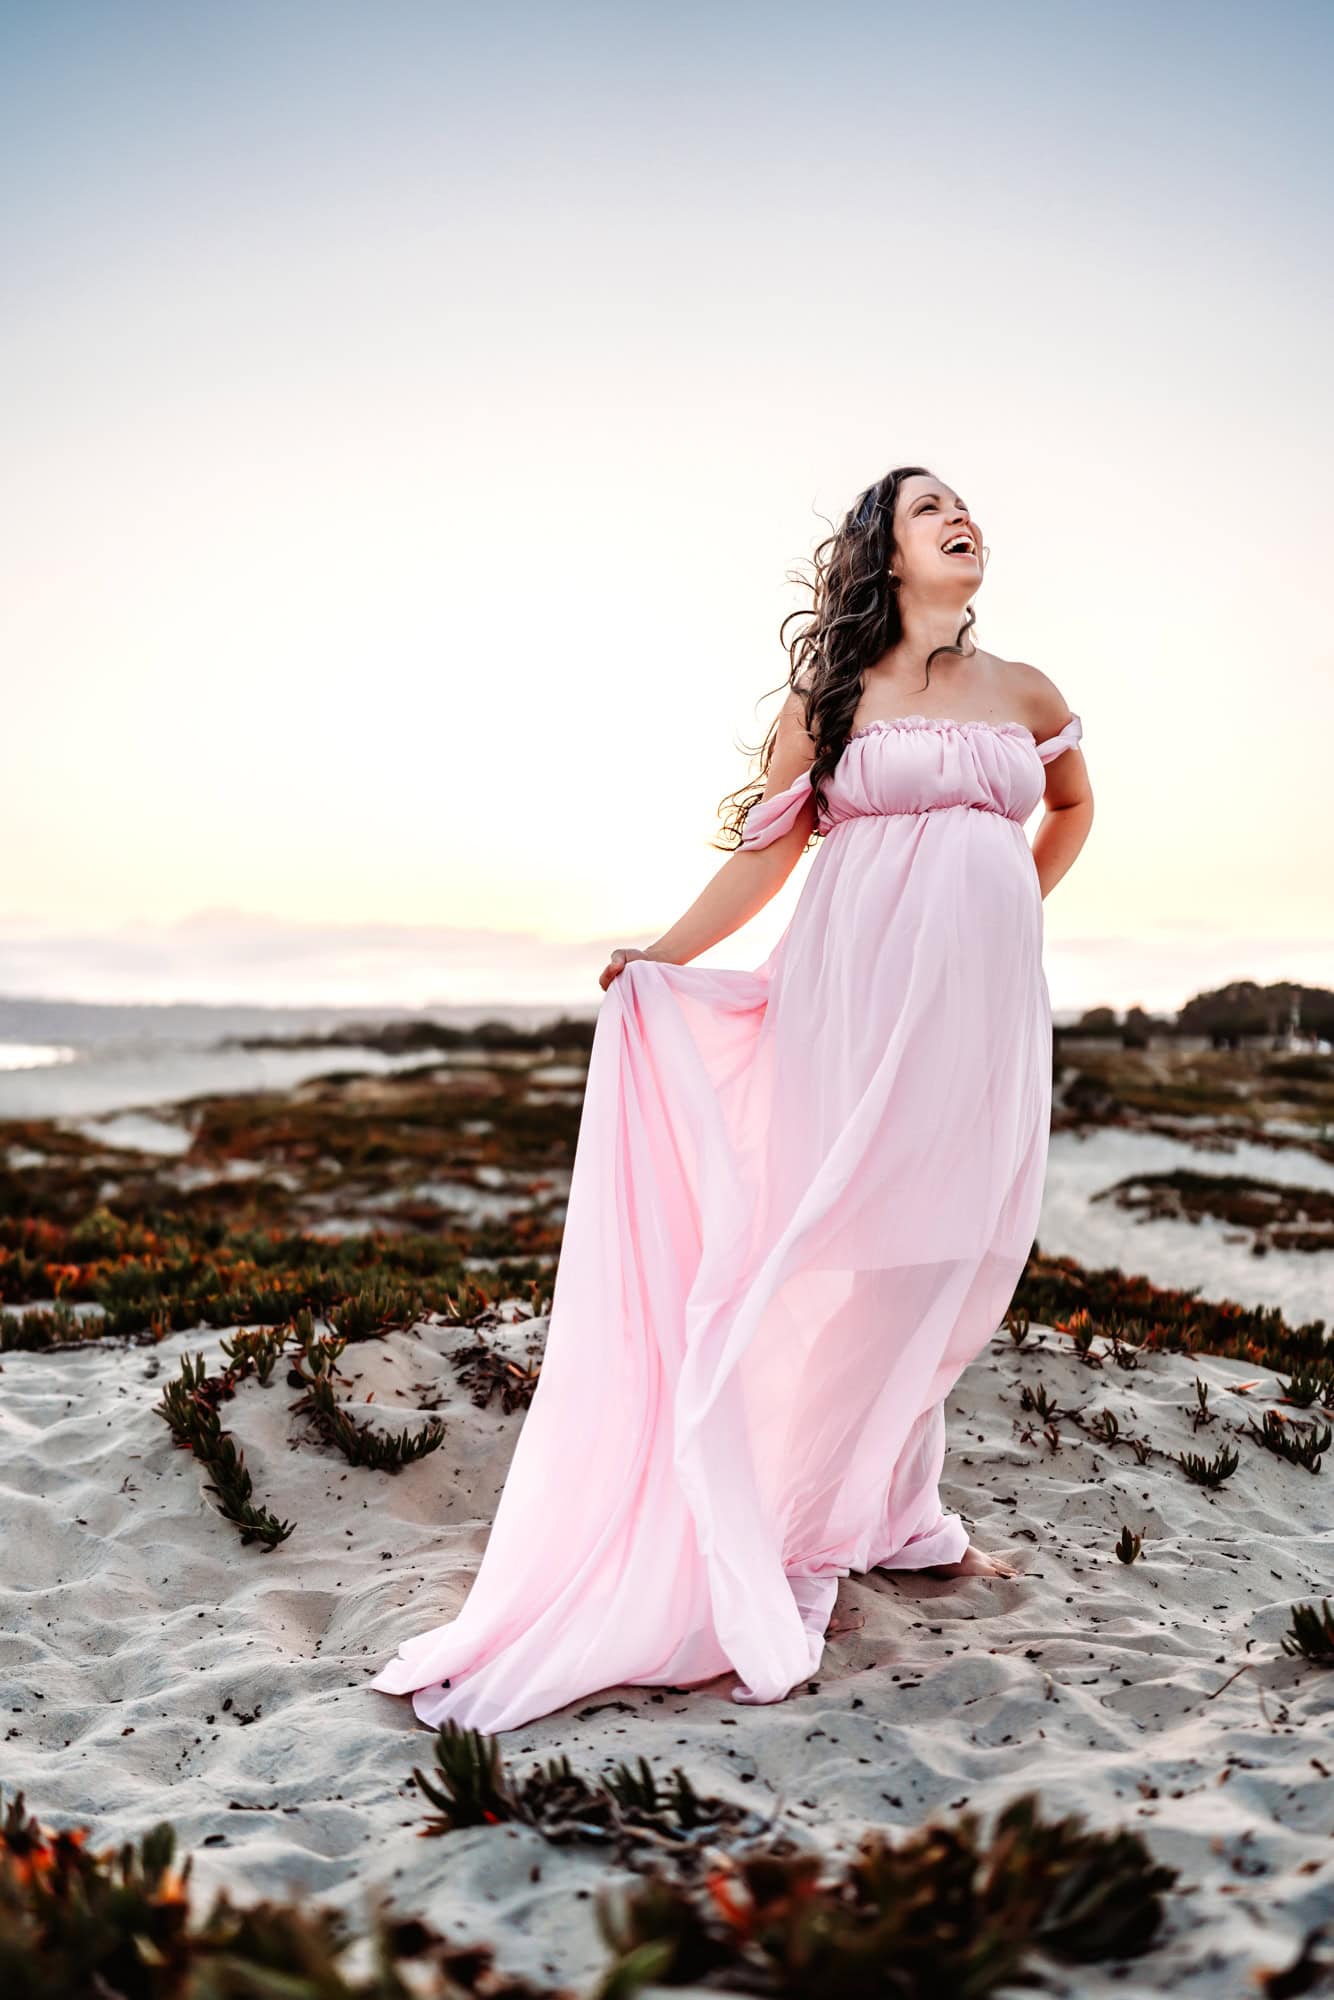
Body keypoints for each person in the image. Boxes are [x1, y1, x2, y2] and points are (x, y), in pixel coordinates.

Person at [370, 463, 1095, 1735]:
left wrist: (999, 913)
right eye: (928, 507)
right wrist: (663, 956)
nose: (957, 516)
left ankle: (891, 1504)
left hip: (976, 1020)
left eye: (962, 503)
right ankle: (794, 1504)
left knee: (950, 1250)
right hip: (852, 1000)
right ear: (883, 548)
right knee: (843, 1242)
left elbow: (1074, 807)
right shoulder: (835, 698)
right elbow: (765, 855)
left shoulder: (1027, 691)